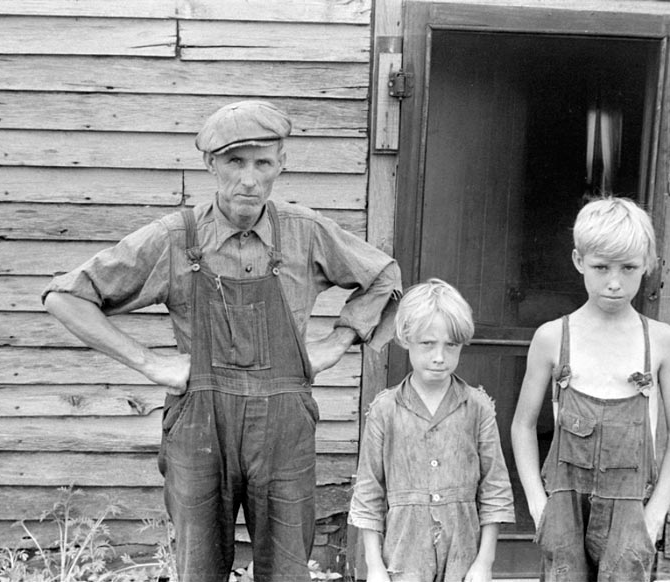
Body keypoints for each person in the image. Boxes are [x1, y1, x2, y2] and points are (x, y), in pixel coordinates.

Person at [42, 100, 402, 582]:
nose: (249, 179)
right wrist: (150, 363)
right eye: (235, 162)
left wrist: (338, 339)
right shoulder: (174, 237)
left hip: (283, 428)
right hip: (199, 425)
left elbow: (383, 276)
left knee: (287, 569)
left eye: (262, 163)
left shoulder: (305, 233)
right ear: (211, 163)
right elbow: (65, 297)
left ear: (281, 165)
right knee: (200, 568)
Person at [510, 196, 670, 582]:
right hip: (564, 510)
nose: (614, 282)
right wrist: (537, 503)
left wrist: (655, 514)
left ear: (648, 264)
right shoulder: (552, 338)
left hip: (632, 513)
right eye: (601, 267)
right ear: (579, 261)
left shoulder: (660, 341)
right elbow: (523, 426)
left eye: (628, 268)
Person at [349, 278, 515, 582]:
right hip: (402, 559)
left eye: (450, 345)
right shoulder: (385, 410)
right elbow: (368, 492)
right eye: (427, 343)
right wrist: (374, 567)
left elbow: (494, 488)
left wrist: (484, 563)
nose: (439, 357)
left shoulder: (478, 407)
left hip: (463, 559)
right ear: (406, 339)